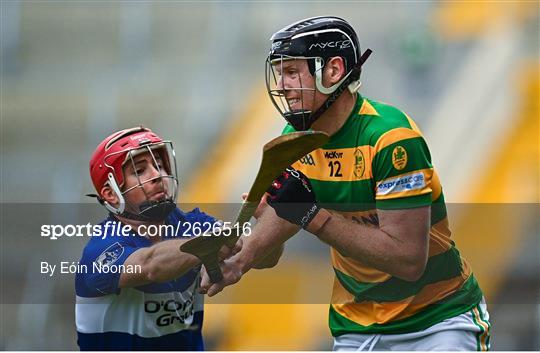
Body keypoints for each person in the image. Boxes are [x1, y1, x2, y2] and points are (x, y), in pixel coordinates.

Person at [201, 16, 491, 351]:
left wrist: (314, 215)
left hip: (437, 323)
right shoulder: (294, 140)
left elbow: (408, 260)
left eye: (293, 72)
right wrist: (239, 260)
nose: (282, 85)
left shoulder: (391, 139)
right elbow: (284, 220)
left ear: (334, 70)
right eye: (280, 73)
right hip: (356, 327)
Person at [76, 126, 242, 350]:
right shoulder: (101, 250)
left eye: (160, 165)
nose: (157, 175)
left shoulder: (192, 225)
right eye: (140, 171)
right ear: (110, 194)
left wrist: (271, 217)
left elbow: (266, 258)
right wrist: (209, 245)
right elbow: (149, 266)